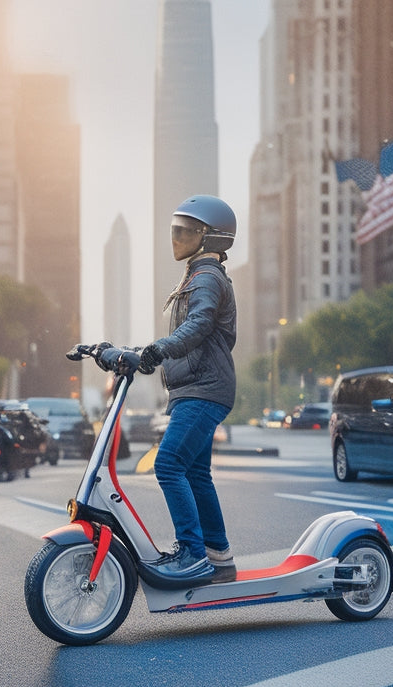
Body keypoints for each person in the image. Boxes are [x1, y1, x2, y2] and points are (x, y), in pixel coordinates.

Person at [139, 194, 238, 585]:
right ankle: (219, 557)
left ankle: (194, 555)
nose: (176, 236)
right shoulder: (197, 276)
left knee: (168, 465)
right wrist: (127, 353)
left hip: (204, 389)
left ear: (210, 237)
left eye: (186, 230)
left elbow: (197, 325)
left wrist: (157, 351)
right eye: (175, 228)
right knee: (196, 473)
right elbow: (188, 331)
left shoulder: (208, 279)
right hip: (194, 388)